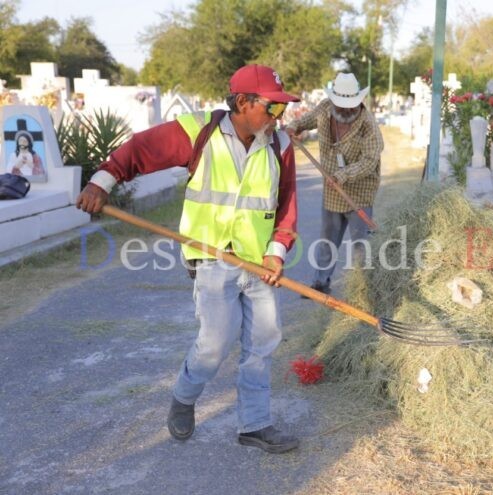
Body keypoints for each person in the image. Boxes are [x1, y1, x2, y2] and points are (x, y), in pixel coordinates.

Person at [76, 64, 301, 453]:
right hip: (212, 259)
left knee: (263, 342)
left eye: (282, 108)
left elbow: (287, 205)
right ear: (243, 103)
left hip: (259, 263)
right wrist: (102, 181)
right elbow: (143, 149)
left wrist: (276, 252)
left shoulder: (278, 145)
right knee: (214, 344)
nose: (279, 116)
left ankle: (254, 424)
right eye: (273, 107)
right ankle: (184, 396)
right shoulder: (200, 132)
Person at [285, 72, 384, 295]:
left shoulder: (368, 125)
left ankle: (365, 289)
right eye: (341, 106)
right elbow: (305, 120)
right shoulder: (325, 109)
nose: (345, 110)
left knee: (360, 246)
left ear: (357, 102)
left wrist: (343, 175)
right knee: (327, 240)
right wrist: (294, 126)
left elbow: (370, 161)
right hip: (332, 192)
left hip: (359, 194)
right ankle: (320, 283)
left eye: (350, 107)